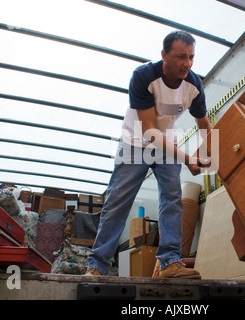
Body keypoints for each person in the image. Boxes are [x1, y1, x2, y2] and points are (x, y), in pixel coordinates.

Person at [86, 30, 212, 278]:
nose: (187, 63)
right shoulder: (143, 76)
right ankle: (97, 266)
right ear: (164, 55)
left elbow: (204, 125)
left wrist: (210, 155)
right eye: (181, 56)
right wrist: (188, 159)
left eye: (191, 57)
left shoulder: (194, 85)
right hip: (135, 142)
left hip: (167, 144)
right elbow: (149, 131)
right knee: (116, 202)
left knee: (172, 200)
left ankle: (169, 263)